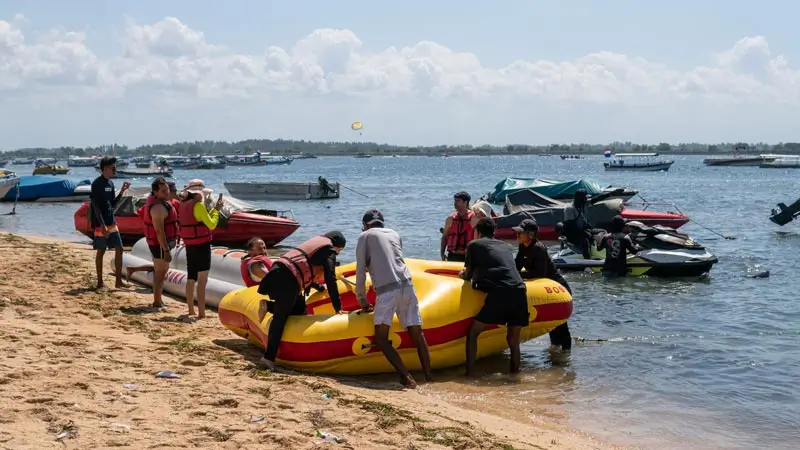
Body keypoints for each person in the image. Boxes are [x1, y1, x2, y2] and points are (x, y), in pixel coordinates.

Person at [355, 209, 432, 388]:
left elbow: (360, 271)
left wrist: (363, 300)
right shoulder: (394, 234)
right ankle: (429, 377)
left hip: (387, 291)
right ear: (382, 222)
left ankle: (406, 377)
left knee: (381, 338)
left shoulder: (364, 236)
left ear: (365, 225)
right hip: (408, 285)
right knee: (417, 334)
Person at [255, 231, 346, 370]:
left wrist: (317, 286)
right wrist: (338, 307)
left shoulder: (317, 243)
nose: (338, 253)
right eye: (340, 250)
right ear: (337, 246)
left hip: (278, 271)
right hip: (287, 279)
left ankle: (268, 306)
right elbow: (330, 277)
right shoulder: (329, 250)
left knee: (300, 309)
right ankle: (268, 358)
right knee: (280, 318)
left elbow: (303, 265)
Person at [459, 218, 529, 377]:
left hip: (500, 291)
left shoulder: (474, 245)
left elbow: (468, 274)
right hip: (519, 290)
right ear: (494, 231)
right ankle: (514, 376)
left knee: (473, 332)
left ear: (477, 231)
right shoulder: (505, 246)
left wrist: (461, 275)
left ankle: (469, 374)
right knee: (513, 340)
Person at [513, 218, 573, 352]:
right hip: (546, 290)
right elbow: (516, 267)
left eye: (520, 233)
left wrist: (521, 276)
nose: (517, 235)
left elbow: (540, 273)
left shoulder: (538, 248)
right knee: (551, 325)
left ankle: (566, 354)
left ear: (531, 235)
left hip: (558, 288)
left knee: (561, 325)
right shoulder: (523, 246)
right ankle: (554, 351)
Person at [179, 179, 223, 319]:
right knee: (202, 280)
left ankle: (191, 309)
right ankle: (201, 313)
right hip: (202, 245)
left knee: (191, 277)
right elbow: (211, 225)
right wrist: (216, 210)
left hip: (189, 244)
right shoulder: (198, 206)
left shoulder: (183, 204)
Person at [136, 177, 180, 308]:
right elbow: (159, 231)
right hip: (159, 245)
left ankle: (158, 299)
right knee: (160, 272)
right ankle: (157, 301)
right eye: (163, 191)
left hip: (163, 244)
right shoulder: (157, 208)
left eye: (167, 189)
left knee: (161, 271)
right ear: (155, 192)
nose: (167, 192)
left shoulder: (164, 203)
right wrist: (166, 250)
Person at [127, 182, 183, 280]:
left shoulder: (169, 203)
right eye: (165, 191)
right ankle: (157, 294)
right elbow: (159, 231)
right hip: (160, 243)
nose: (172, 194)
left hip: (164, 241)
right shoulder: (159, 207)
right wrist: (166, 250)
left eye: (169, 191)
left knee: (160, 267)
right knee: (160, 270)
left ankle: (133, 269)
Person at [90, 156, 130, 289]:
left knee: (120, 249)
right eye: (113, 168)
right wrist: (102, 225)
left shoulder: (111, 184)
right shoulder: (97, 184)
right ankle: (100, 283)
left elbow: (112, 204)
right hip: (100, 222)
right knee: (101, 251)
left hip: (111, 220)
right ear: (106, 168)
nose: (115, 170)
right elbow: (95, 205)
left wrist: (122, 191)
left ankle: (118, 281)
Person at [440, 191, 475, 262]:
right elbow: (444, 237)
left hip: (468, 256)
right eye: (455, 201)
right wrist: (442, 253)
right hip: (453, 255)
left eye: (458, 201)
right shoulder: (450, 219)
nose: (455, 203)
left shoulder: (474, 218)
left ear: (465, 203)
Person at [562, 189, 592, 259]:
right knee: (585, 242)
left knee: (601, 232)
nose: (587, 199)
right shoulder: (570, 209)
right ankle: (587, 262)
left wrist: (610, 194)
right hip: (572, 234)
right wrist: (586, 232)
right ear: (581, 198)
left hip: (582, 230)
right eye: (585, 198)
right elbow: (571, 226)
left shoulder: (582, 204)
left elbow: (595, 200)